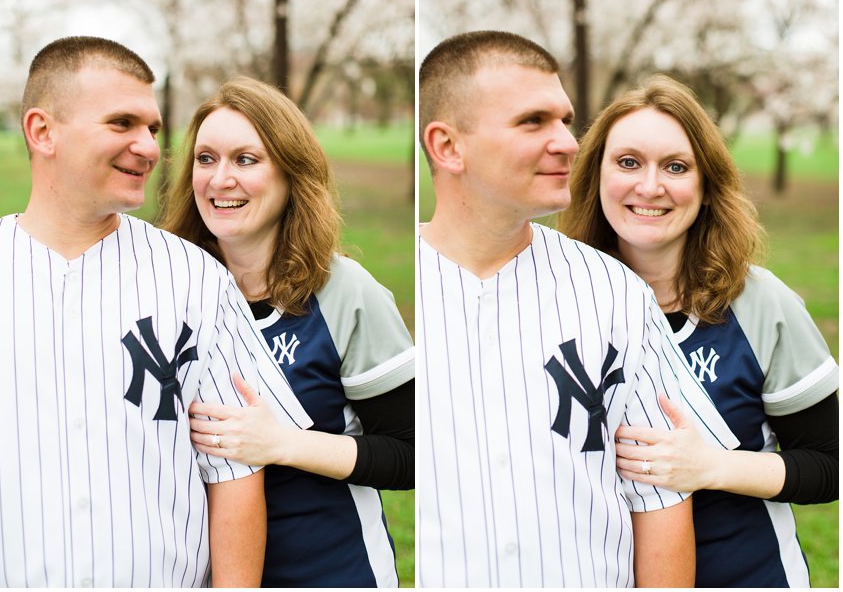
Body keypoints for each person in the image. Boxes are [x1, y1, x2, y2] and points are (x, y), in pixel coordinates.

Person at [417, 30, 739, 588]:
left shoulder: (616, 292)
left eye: (565, 120)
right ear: (448, 147)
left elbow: (660, 493)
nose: (568, 142)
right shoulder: (400, 297)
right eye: (533, 121)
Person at [0, 36, 313, 588]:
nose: (148, 147)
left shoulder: (196, 277)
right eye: (122, 123)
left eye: (153, 129)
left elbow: (236, 471)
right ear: (42, 131)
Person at [560, 74, 839, 587]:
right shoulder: (557, 300)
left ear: (706, 186)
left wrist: (711, 467)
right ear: (595, 177)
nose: (649, 186)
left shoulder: (760, 304)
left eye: (676, 166)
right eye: (627, 162)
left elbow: (830, 464)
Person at [160, 75, 415, 587]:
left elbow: (411, 455)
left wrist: (281, 444)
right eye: (205, 159)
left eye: (245, 160)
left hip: (334, 571)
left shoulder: (345, 292)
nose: (219, 179)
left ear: (291, 174)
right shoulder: (166, 287)